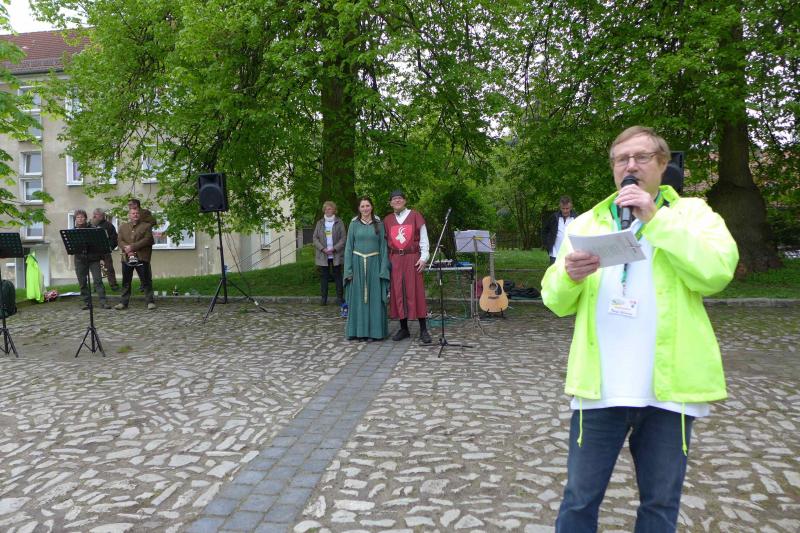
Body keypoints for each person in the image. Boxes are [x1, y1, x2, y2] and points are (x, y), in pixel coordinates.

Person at [541, 126, 739, 532]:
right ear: (613, 168)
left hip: (669, 393)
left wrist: (656, 220)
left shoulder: (693, 215)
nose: (630, 166)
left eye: (642, 157)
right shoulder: (589, 222)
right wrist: (569, 277)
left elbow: (716, 273)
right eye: (621, 159)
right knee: (578, 499)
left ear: (663, 165)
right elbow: (554, 300)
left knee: (661, 503)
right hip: (599, 390)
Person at [383, 190, 431, 344]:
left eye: (399, 198)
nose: (397, 201)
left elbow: (424, 239)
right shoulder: (387, 220)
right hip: (395, 259)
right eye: (394, 199)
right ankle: (404, 328)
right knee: (398, 292)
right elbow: (384, 243)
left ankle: (423, 329)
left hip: (412, 258)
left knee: (416, 291)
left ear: (405, 201)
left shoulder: (415, 215)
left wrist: (424, 258)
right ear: (390, 203)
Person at [343, 197, 390, 341]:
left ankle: (375, 333)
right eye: (362, 206)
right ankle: (358, 332)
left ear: (372, 207)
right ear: (359, 208)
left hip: (375, 265)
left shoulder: (379, 224)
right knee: (358, 299)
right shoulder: (353, 225)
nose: (365, 208)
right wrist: (348, 270)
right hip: (357, 264)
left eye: (367, 205)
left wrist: (383, 269)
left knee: (374, 299)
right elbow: (349, 247)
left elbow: (383, 247)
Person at [114, 207, 156, 310]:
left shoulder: (146, 226)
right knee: (126, 281)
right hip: (127, 257)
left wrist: (132, 247)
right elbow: (119, 241)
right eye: (133, 213)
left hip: (142, 257)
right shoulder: (123, 227)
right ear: (129, 215)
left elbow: (148, 240)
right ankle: (123, 303)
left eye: (137, 213)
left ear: (139, 215)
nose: (135, 215)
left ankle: (150, 302)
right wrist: (127, 250)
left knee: (146, 280)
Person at [73, 209, 109, 310]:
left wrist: (102, 258)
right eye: (78, 217)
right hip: (80, 259)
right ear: (75, 219)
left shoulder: (93, 229)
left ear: (85, 218)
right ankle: (87, 302)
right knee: (82, 282)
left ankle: (103, 302)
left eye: (82, 217)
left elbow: (100, 245)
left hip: (94, 259)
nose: (80, 219)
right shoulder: (73, 231)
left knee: (98, 280)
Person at [313, 201, 346, 307]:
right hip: (323, 254)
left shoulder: (339, 222)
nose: (328, 210)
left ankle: (340, 298)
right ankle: (323, 299)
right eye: (326, 209)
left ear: (334, 210)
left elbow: (343, 238)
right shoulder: (320, 223)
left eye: (330, 208)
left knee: (338, 276)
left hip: (336, 254)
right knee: (324, 277)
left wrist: (334, 249)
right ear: (324, 210)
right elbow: (315, 238)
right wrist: (323, 249)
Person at [542, 196, 577, 265]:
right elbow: (545, 230)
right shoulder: (554, 217)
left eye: (567, 208)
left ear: (571, 207)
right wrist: (547, 244)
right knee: (553, 271)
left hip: (571, 253)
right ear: (560, 207)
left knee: (570, 271)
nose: (565, 211)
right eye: (563, 208)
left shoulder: (576, 218)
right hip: (555, 253)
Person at [91, 208, 119, 291]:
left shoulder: (109, 225)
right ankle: (96, 286)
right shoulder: (90, 225)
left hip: (105, 251)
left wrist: (110, 247)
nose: (101, 216)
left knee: (109, 268)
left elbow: (114, 238)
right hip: (94, 252)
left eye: (102, 215)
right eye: (97, 215)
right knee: (95, 269)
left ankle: (113, 285)